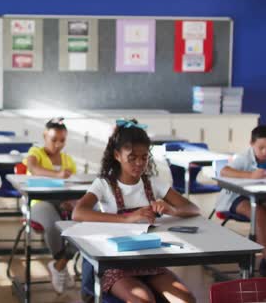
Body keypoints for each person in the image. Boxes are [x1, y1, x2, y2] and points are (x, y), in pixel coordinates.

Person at [73, 119, 198, 303]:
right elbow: (79, 212)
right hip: (117, 265)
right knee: (143, 300)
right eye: (132, 158)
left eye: (144, 157)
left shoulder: (153, 183)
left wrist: (172, 210)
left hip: (151, 261)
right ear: (117, 155)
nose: (139, 163)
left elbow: (193, 208)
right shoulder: (104, 184)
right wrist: (127, 218)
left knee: (186, 299)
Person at [23, 117, 77, 293]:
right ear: (45, 135)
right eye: (54, 140)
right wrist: (57, 174)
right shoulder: (36, 152)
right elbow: (33, 169)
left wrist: (73, 201)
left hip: (62, 203)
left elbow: (75, 185)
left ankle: (59, 266)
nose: (58, 144)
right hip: (39, 202)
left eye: (62, 140)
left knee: (82, 229)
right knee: (54, 226)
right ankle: (61, 264)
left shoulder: (68, 159)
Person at [215, 125, 266, 275]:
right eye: (261, 147)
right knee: (260, 214)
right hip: (236, 198)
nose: (265, 152)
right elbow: (224, 171)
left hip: (260, 197)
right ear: (251, 144)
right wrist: (250, 176)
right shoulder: (244, 157)